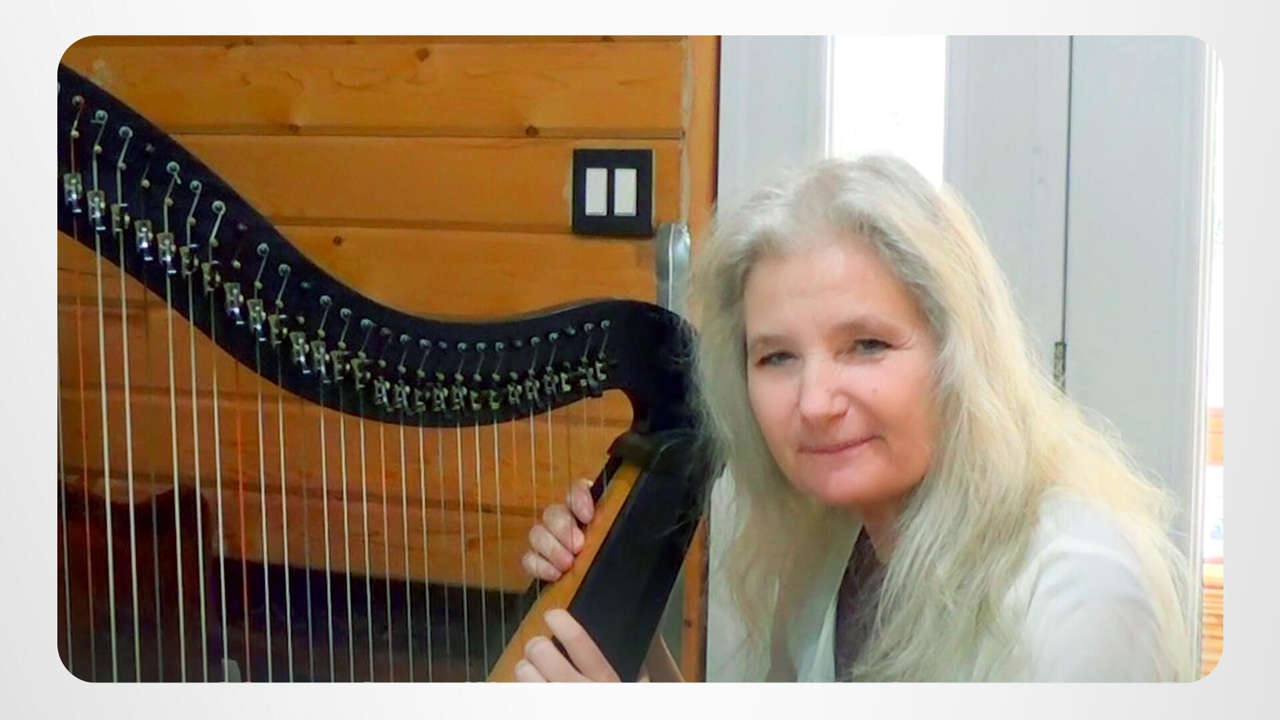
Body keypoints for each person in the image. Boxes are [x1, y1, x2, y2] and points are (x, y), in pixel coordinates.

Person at [514, 155, 1193, 682]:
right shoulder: (835, 539)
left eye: (866, 345)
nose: (815, 403)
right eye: (777, 357)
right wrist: (616, 628)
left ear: (960, 358)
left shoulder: (1079, 592)